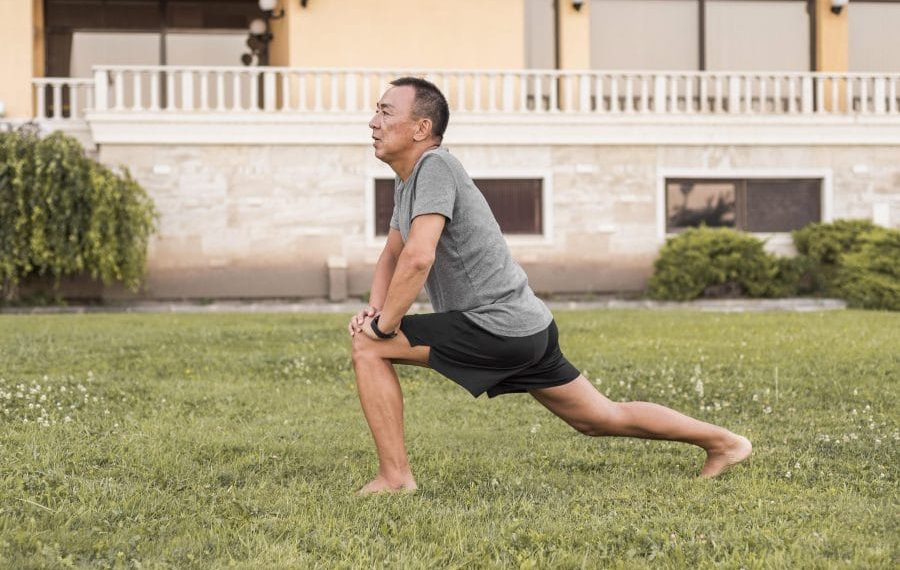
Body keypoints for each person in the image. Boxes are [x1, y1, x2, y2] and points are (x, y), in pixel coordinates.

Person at [348, 77, 752, 495]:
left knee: (369, 346)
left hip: (496, 326)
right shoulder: (408, 178)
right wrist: (376, 311)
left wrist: (382, 328)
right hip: (527, 327)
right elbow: (394, 254)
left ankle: (395, 479)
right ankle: (725, 443)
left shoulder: (435, 166)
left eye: (385, 111)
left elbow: (419, 257)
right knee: (599, 418)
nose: (373, 122)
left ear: (421, 128)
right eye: (376, 111)